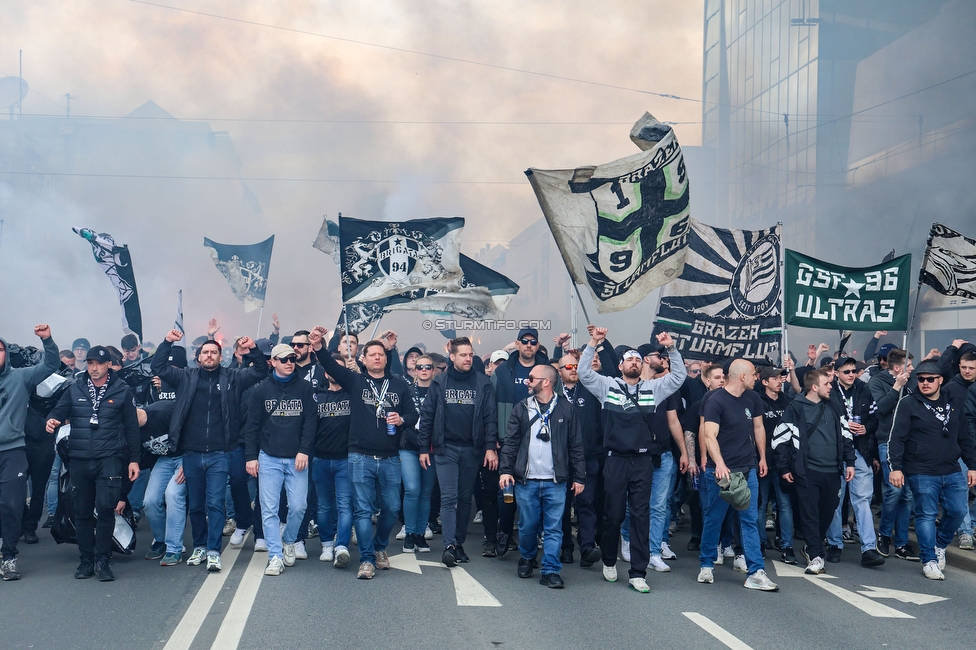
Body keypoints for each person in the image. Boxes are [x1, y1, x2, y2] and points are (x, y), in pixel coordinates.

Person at [576, 326, 685, 594]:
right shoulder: (607, 386)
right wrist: (593, 343)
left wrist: (671, 348)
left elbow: (679, 376)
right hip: (614, 460)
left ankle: (638, 572)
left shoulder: (654, 389)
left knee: (640, 515)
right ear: (621, 365)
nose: (634, 362)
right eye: (630, 359)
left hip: (642, 462)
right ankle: (610, 560)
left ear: (643, 364)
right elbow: (583, 373)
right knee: (613, 515)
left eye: (638, 359)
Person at [151, 330, 267, 572]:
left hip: (220, 453)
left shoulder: (233, 378)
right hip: (191, 453)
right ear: (198, 357)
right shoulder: (185, 377)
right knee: (196, 505)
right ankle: (200, 547)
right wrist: (168, 342)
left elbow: (259, 371)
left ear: (220, 356)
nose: (210, 355)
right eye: (205, 352)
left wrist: (253, 348)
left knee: (215, 504)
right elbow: (158, 366)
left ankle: (214, 551)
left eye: (214, 352)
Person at [310, 326, 418, 580]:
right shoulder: (355, 381)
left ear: (386, 357)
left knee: (391, 508)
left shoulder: (398, 384)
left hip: (390, 458)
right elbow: (331, 365)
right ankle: (368, 559)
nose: (377, 357)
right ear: (364, 359)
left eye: (381, 354)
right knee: (362, 510)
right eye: (372, 355)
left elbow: (413, 415)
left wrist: (401, 418)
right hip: (360, 457)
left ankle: (380, 547)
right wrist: (318, 346)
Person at [46, 345, 141, 582]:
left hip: (109, 459)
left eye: (98, 364)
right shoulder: (75, 387)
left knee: (107, 510)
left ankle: (103, 560)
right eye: (90, 363)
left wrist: (134, 461)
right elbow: (57, 411)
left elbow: (131, 429)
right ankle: (86, 560)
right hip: (79, 459)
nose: (94, 368)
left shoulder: (122, 390)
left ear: (108, 364)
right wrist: (52, 420)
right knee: (82, 512)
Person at [887, 360, 976, 580]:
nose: (925, 383)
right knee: (926, 514)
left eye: (930, 379)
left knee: (958, 511)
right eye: (921, 379)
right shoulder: (908, 403)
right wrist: (896, 468)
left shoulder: (953, 403)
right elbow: (896, 438)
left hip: (952, 468)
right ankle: (929, 560)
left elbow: (964, 436)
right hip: (921, 469)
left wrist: (973, 465)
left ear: (940, 381)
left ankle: (939, 546)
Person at [499, 364, 585, 588]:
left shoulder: (567, 408)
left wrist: (579, 477)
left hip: (556, 481)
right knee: (527, 526)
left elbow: (576, 445)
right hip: (526, 480)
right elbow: (510, 443)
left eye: (531, 378)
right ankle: (527, 557)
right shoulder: (521, 407)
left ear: (546, 382)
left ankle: (550, 570)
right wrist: (506, 471)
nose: (527, 381)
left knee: (554, 527)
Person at [697, 359, 778, 591]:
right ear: (742, 376)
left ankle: (756, 571)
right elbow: (709, 435)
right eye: (753, 374)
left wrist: (762, 457)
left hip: (747, 468)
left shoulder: (753, 399)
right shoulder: (715, 400)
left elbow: (758, 428)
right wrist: (720, 464)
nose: (756, 378)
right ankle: (706, 564)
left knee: (749, 519)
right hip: (720, 472)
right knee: (714, 517)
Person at [418, 337, 498, 566]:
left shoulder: (482, 382)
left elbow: (490, 418)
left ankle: (459, 543)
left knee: (465, 499)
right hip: (446, 449)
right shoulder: (439, 381)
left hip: (472, 449)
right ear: (451, 357)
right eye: (463, 354)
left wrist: (490, 447)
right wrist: (424, 447)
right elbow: (428, 416)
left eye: (470, 354)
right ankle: (449, 546)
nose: (468, 358)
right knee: (449, 497)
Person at [244, 344, 317, 576]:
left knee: (299, 506)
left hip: (297, 458)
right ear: (273, 362)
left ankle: (289, 539)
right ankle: (275, 556)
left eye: (292, 359)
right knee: (269, 510)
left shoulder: (305, 388)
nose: (289, 363)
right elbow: (252, 427)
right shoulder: (260, 390)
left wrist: (305, 450)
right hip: (268, 458)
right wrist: (250, 457)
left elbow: (311, 422)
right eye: (284, 359)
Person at [773, 369, 855, 575]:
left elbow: (846, 434)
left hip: (832, 471)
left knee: (828, 511)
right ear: (814, 387)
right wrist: (784, 467)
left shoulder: (835, 406)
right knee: (810, 514)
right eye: (827, 383)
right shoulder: (796, 407)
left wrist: (850, 462)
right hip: (807, 471)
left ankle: (812, 545)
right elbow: (779, 439)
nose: (831, 386)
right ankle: (816, 555)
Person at [0, 325, 59, 580]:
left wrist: (47, 340)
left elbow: (50, 366)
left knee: (12, 504)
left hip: (13, 450)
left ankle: (9, 557)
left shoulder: (20, 377)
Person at [490, 328, 548, 556]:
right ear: (517, 343)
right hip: (509, 439)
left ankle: (534, 537)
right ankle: (504, 531)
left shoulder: (547, 370)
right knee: (506, 491)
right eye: (524, 341)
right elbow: (490, 407)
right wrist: (492, 438)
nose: (529, 345)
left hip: (541, 440)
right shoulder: (503, 371)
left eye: (533, 342)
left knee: (539, 491)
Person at [825, 356, 885, 567]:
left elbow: (876, 417)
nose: (851, 375)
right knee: (835, 500)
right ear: (837, 373)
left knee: (862, 500)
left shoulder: (864, 389)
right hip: (836, 453)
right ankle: (834, 543)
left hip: (860, 451)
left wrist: (865, 428)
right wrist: (843, 427)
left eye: (853, 371)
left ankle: (868, 548)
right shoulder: (829, 390)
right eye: (846, 371)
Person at [555, 353, 603, 568]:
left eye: (577, 366)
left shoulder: (591, 390)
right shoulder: (552, 393)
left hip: (587, 458)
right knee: (561, 506)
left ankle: (586, 547)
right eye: (569, 366)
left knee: (586, 504)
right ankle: (566, 546)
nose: (574, 369)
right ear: (559, 370)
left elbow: (600, 423)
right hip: (560, 461)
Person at [869, 348, 917, 561]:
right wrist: (897, 386)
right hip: (887, 440)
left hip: (910, 442)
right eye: (909, 365)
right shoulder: (877, 382)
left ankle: (902, 543)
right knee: (895, 490)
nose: (912, 369)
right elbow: (880, 409)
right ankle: (884, 534)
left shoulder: (913, 381)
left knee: (907, 495)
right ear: (897, 368)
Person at [312, 352, 353, 567]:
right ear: (325, 372)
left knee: (345, 505)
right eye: (332, 367)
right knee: (324, 506)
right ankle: (327, 544)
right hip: (320, 460)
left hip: (345, 460)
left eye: (340, 367)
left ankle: (342, 546)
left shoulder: (352, 394)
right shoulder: (316, 396)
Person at [757, 365, 795, 564]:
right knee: (760, 505)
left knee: (785, 505)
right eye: (775, 378)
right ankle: (761, 543)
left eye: (781, 377)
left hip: (783, 463)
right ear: (764, 382)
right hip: (762, 461)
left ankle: (787, 546)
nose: (780, 381)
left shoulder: (787, 401)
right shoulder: (756, 401)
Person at [399, 355, 436, 553]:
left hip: (431, 448)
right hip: (409, 446)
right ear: (414, 371)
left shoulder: (438, 390)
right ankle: (410, 533)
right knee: (412, 489)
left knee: (425, 492)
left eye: (427, 367)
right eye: (419, 367)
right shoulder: (406, 391)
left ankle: (421, 534)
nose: (423, 370)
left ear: (433, 370)